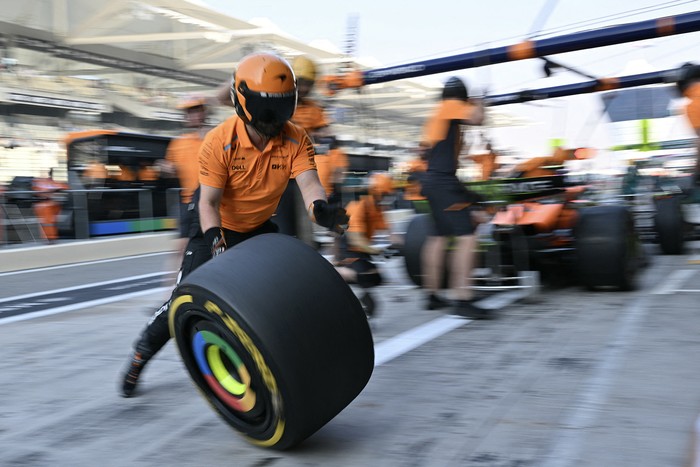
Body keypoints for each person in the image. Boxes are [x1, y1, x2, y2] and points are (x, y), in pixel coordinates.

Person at [120, 53, 348, 397]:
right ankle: (141, 353)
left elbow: (310, 185)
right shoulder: (218, 141)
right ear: (243, 103)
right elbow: (208, 203)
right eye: (264, 112)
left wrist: (322, 210)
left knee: (286, 286)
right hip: (214, 224)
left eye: (280, 110)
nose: (272, 124)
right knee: (183, 298)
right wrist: (216, 242)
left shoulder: (297, 139)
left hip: (258, 225)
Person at [419, 76, 491, 319]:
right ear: (461, 97)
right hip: (442, 181)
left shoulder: (437, 114)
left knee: (437, 237)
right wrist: (480, 101)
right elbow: (477, 118)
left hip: (433, 181)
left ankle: (432, 295)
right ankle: (463, 297)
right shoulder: (451, 106)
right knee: (467, 237)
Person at [335, 172, 394, 317]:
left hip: (361, 251)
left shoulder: (377, 208)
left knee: (377, 278)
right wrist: (376, 251)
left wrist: (400, 246)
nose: (386, 199)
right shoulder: (358, 205)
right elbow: (355, 239)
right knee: (363, 275)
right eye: (384, 194)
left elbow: (390, 233)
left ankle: (361, 299)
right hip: (347, 249)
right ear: (376, 192)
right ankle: (335, 272)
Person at [160, 97, 211, 254]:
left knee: (213, 246)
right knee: (180, 249)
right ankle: (178, 279)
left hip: (211, 201)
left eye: (196, 111)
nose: (193, 115)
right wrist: (165, 168)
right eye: (189, 112)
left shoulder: (213, 136)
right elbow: (170, 170)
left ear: (203, 113)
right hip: (188, 202)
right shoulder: (177, 143)